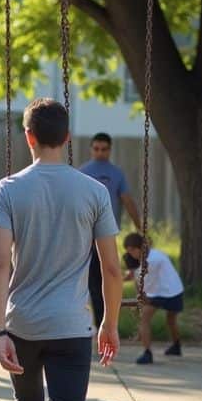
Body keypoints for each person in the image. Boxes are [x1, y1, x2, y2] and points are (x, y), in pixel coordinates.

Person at [0, 98, 121, 401]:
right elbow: (112, 269)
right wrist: (109, 323)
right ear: (68, 138)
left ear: (28, 137)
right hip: (72, 325)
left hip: (22, 324)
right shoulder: (93, 192)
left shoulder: (8, 189)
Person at [79, 133, 141, 328]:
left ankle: (105, 323)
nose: (100, 153)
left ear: (110, 150)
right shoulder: (82, 172)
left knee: (108, 275)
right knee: (90, 282)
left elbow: (127, 200)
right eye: (96, 148)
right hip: (84, 235)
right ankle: (94, 322)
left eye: (104, 149)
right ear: (91, 149)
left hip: (106, 234)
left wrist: (140, 227)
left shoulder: (116, 173)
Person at [122, 232, 184, 364]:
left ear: (140, 248)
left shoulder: (152, 261)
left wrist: (142, 298)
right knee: (165, 319)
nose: (131, 254)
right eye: (129, 251)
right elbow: (136, 276)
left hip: (167, 291)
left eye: (132, 250)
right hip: (172, 290)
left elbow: (142, 286)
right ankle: (169, 347)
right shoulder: (154, 254)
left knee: (151, 319)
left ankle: (152, 352)